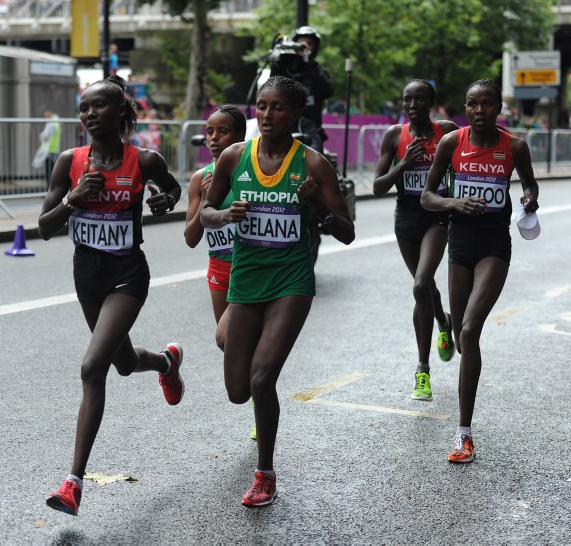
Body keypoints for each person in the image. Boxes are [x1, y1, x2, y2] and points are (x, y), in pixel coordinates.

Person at [201, 76, 355, 507]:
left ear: (296, 114)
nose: (267, 115)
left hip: (291, 282)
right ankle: (259, 410)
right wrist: (225, 214)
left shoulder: (314, 164)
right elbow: (206, 213)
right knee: (237, 391)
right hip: (245, 280)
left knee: (262, 377)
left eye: (278, 108)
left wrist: (318, 206)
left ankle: (265, 474)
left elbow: (347, 232)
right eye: (261, 106)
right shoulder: (234, 157)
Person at [38, 75, 185, 516]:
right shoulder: (70, 161)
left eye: (98, 106)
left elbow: (173, 190)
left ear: (121, 110)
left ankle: (72, 483)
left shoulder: (145, 160)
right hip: (87, 275)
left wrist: (164, 200)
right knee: (122, 364)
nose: (88, 115)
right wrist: (72, 201)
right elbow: (42, 228)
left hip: (127, 275)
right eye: (84, 108)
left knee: (91, 368)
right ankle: (166, 361)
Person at [421, 79, 539, 464]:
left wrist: (528, 199)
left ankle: (463, 434)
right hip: (460, 243)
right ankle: (454, 331)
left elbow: (531, 185)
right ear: (465, 108)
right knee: (461, 339)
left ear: (498, 108)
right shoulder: (452, 144)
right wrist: (454, 202)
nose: (479, 111)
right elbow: (427, 195)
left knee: (470, 329)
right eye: (472, 104)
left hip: (494, 246)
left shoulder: (514, 146)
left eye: (487, 104)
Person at [373, 79, 458, 402]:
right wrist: (405, 163)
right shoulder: (394, 136)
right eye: (407, 99)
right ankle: (443, 321)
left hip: (436, 215)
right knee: (425, 286)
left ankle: (422, 370)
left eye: (420, 99)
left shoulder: (447, 131)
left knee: (421, 285)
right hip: (406, 218)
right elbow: (378, 186)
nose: (412, 105)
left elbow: (462, 169)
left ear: (431, 103)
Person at [183, 105, 255, 439]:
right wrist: (207, 199)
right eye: (209, 132)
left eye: (222, 132)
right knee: (231, 346)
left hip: (249, 267)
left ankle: (262, 392)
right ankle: (262, 380)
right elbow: (191, 238)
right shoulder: (200, 178)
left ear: (239, 136)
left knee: (227, 336)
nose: (213, 138)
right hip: (218, 268)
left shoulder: (251, 169)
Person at [269, 26, 333, 154]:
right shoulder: (283, 68)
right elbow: (271, 88)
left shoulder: (317, 70)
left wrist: (309, 64)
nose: (304, 46)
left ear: (314, 49)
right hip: (283, 126)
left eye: (309, 44)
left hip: (310, 128)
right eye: (301, 42)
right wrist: (278, 62)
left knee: (315, 158)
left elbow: (328, 92)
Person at [39, 109, 62, 186]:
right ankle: (52, 188)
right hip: (54, 149)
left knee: (49, 171)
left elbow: (46, 135)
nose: (45, 118)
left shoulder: (51, 123)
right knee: (53, 170)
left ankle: (50, 189)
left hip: (49, 149)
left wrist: (42, 135)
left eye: (46, 116)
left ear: (50, 114)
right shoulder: (56, 122)